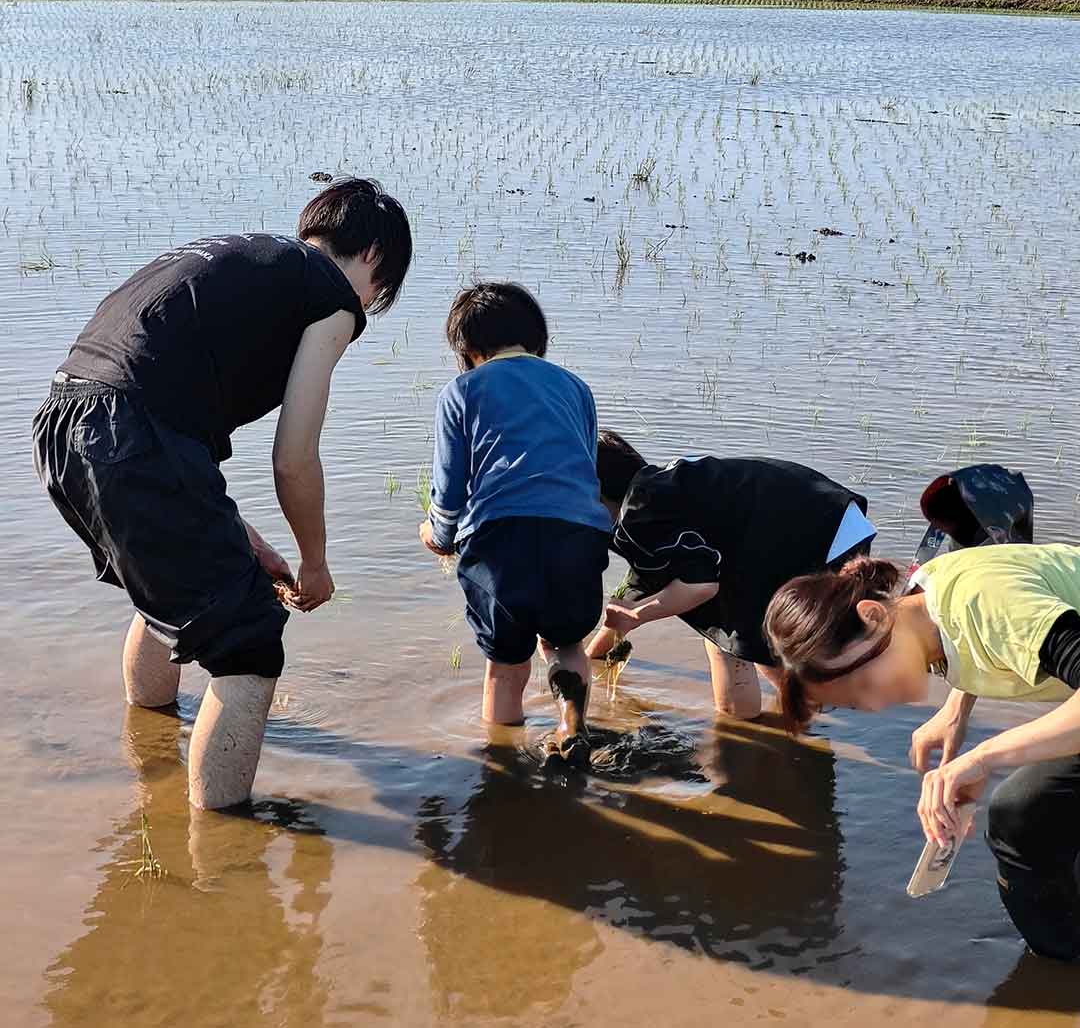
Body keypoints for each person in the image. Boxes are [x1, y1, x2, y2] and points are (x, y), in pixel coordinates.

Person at [33, 178, 412, 810]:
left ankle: (149, 755)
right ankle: (223, 853)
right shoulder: (330, 294)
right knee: (252, 640)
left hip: (63, 423)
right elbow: (294, 459)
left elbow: (164, 425)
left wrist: (251, 544)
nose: (367, 308)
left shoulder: (245, 259)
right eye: (380, 293)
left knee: (176, 593)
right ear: (372, 256)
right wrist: (314, 564)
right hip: (134, 433)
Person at [764, 543, 1080, 962]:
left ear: (873, 616)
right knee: (1027, 818)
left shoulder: (985, 599)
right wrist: (956, 707)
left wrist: (983, 756)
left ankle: (1060, 971)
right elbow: (981, 635)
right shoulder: (924, 602)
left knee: (1021, 815)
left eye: (863, 685)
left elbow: (996, 616)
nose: (876, 706)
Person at [418, 282, 610, 765]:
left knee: (505, 665)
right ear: (534, 336)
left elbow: (449, 485)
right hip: (578, 533)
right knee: (567, 643)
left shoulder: (462, 391)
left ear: (468, 348)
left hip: (501, 538)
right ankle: (572, 724)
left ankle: (501, 767)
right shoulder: (575, 387)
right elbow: (587, 467)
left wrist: (438, 536)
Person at [585, 432, 875, 719]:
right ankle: (803, 715)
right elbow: (637, 589)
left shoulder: (638, 515)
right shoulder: (658, 492)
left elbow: (700, 587)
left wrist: (638, 615)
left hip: (816, 538)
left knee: (727, 639)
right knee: (763, 636)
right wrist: (590, 659)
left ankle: (742, 731)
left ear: (595, 492)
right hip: (836, 521)